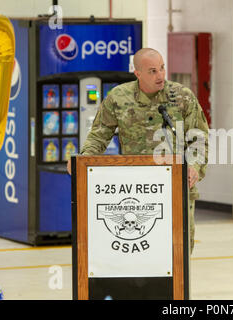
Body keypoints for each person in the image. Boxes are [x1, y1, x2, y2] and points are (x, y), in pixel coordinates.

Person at [66, 48, 209, 254]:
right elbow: (99, 134)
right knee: (139, 249)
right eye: (152, 71)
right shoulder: (119, 98)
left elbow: (199, 139)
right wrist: (83, 159)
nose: (160, 75)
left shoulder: (182, 97)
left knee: (178, 253)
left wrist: (194, 166)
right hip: (136, 191)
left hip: (176, 187)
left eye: (162, 68)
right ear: (137, 73)